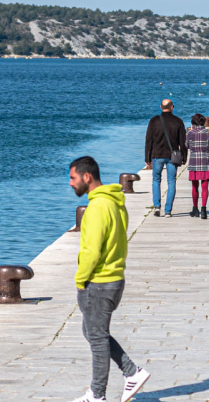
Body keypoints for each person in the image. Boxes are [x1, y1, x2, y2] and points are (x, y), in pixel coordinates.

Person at [68, 157, 150, 402]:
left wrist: (80, 280)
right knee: (93, 331)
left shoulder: (96, 208)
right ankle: (131, 373)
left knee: (97, 338)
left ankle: (98, 395)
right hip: (115, 278)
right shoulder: (116, 203)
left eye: (73, 178)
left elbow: (92, 250)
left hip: (99, 281)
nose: (70, 183)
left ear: (87, 177)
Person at [144, 99, 186, 218]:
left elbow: (148, 140)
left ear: (160, 107)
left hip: (157, 155)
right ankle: (168, 211)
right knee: (171, 182)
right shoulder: (178, 121)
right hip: (172, 156)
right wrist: (184, 157)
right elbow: (183, 142)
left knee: (156, 180)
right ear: (172, 107)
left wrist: (147, 157)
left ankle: (157, 206)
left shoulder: (154, 121)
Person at [185, 114, 209, 219]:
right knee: (205, 186)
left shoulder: (189, 133)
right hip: (206, 160)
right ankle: (203, 209)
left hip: (194, 161)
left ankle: (195, 208)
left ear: (193, 123)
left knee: (194, 186)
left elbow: (187, 145)